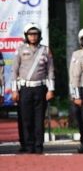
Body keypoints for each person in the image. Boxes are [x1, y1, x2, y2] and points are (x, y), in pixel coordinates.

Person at [12, 23, 55, 154]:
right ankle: (27, 145)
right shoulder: (20, 49)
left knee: (39, 118)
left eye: (35, 34)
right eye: (30, 34)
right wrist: (14, 90)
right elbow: (14, 71)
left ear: (39, 35)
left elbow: (50, 70)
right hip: (25, 89)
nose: (33, 37)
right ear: (26, 36)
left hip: (40, 88)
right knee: (26, 118)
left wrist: (51, 89)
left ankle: (38, 146)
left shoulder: (45, 50)